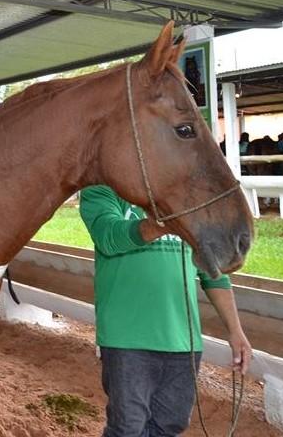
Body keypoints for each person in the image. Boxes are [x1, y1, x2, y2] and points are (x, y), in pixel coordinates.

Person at [79, 185, 252, 437]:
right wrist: (164, 225)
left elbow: (214, 275)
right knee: (127, 428)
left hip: (183, 342)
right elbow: (109, 237)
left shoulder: (185, 200)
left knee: (170, 426)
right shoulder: (101, 190)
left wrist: (236, 331)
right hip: (126, 339)